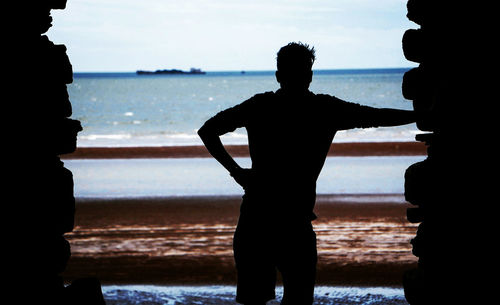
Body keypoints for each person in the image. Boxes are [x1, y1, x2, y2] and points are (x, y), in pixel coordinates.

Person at [198, 42, 416, 305]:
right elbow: (377, 116)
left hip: (258, 219)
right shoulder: (324, 109)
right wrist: (421, 115)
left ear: (279, 75)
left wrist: (237, 172)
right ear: (310, 75)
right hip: (289, 222)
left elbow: (207, 130)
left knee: (257, 301)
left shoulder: (261, 106)